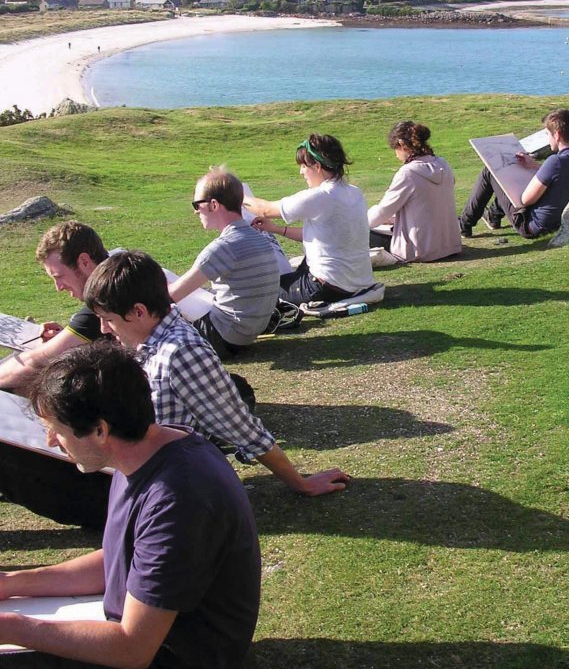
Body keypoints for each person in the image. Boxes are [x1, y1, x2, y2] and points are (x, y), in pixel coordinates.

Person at [0, 341, 261, 668]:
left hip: (170, 654)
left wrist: (12, 627)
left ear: (100, 430)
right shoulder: (147, 450)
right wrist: (12, 583)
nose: (51, 441)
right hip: (144, 636)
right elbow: (124, 558)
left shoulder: (177, 499)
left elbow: (133, 650)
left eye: (56, 431)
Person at [85, 250, 348, 497]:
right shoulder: (148, 340)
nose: (104, 328)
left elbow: (241, 428)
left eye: (107, 319)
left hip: (157, 486)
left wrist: (300, 483)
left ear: (139, 312)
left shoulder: (182, 353)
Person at [245, 134, 375, 305]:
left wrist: (235, 194)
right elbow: (320, 236)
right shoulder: (354, 192)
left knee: (255, 292)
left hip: (327, 288)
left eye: (304, 166)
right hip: (357, 283)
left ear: (318, 166)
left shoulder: (320, 196)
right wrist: (275, 228)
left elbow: (264, 209)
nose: (301, 172)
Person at [167, 169, 280, 360]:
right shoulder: (259, 238)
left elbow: (170, 296)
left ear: (214, 205)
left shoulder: (223, 247)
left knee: (161, 280)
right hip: (249, 332)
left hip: (225, 337)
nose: (196, 212)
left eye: (197, 204)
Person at [0, 221, 108, 395]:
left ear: (84, 261)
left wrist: (61, 344)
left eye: (59, 276)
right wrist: (65, 337)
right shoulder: (119, 272)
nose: (58, 287)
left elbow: (35, 362)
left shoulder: (105, 299)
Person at [459, 108, 569, 239]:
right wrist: (535, 166)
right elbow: (562, 175)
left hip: (532, 225)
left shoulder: (555, 162)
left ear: (557, 135)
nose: (548, 139)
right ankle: (493, 216)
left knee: (488, 172)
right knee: (512, 182)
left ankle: (464, 224)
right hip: (560, 220)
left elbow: (525, 200)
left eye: (548, 134)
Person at [367, 120, 461, 262]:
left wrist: (357, 222)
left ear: (402, 145)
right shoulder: (443, 164)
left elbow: (382, 211)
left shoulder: (408, 173)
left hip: (420, 250)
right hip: (449, 245)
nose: (396, 155)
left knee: (364, 232)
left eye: (395, 149)